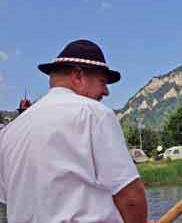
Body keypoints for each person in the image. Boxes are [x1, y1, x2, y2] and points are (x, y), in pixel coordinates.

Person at [0, 40, 154, 223]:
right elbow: (130, 197)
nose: (106, 92)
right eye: (102, 82)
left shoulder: (8, 132)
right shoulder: (93, 113)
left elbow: (8, 199)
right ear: (78, 76)